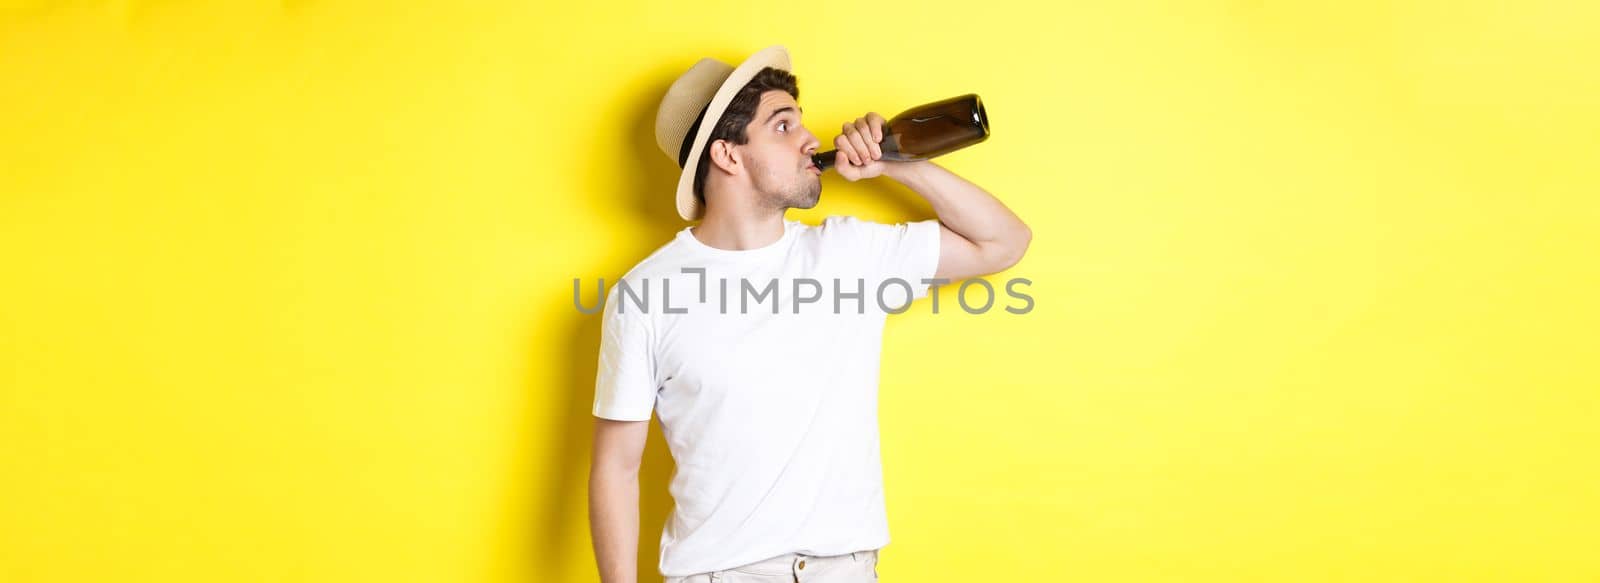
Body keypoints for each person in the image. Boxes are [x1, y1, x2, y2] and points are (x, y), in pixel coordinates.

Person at [587, 45, 1031, 583]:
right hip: (719, 574)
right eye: (783, 126)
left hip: (845, 570)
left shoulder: (849, 254)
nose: (810, 140)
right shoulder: (646, 294)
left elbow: (1004, 242)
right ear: (727, 155)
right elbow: (616, 468)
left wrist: (897, 162)